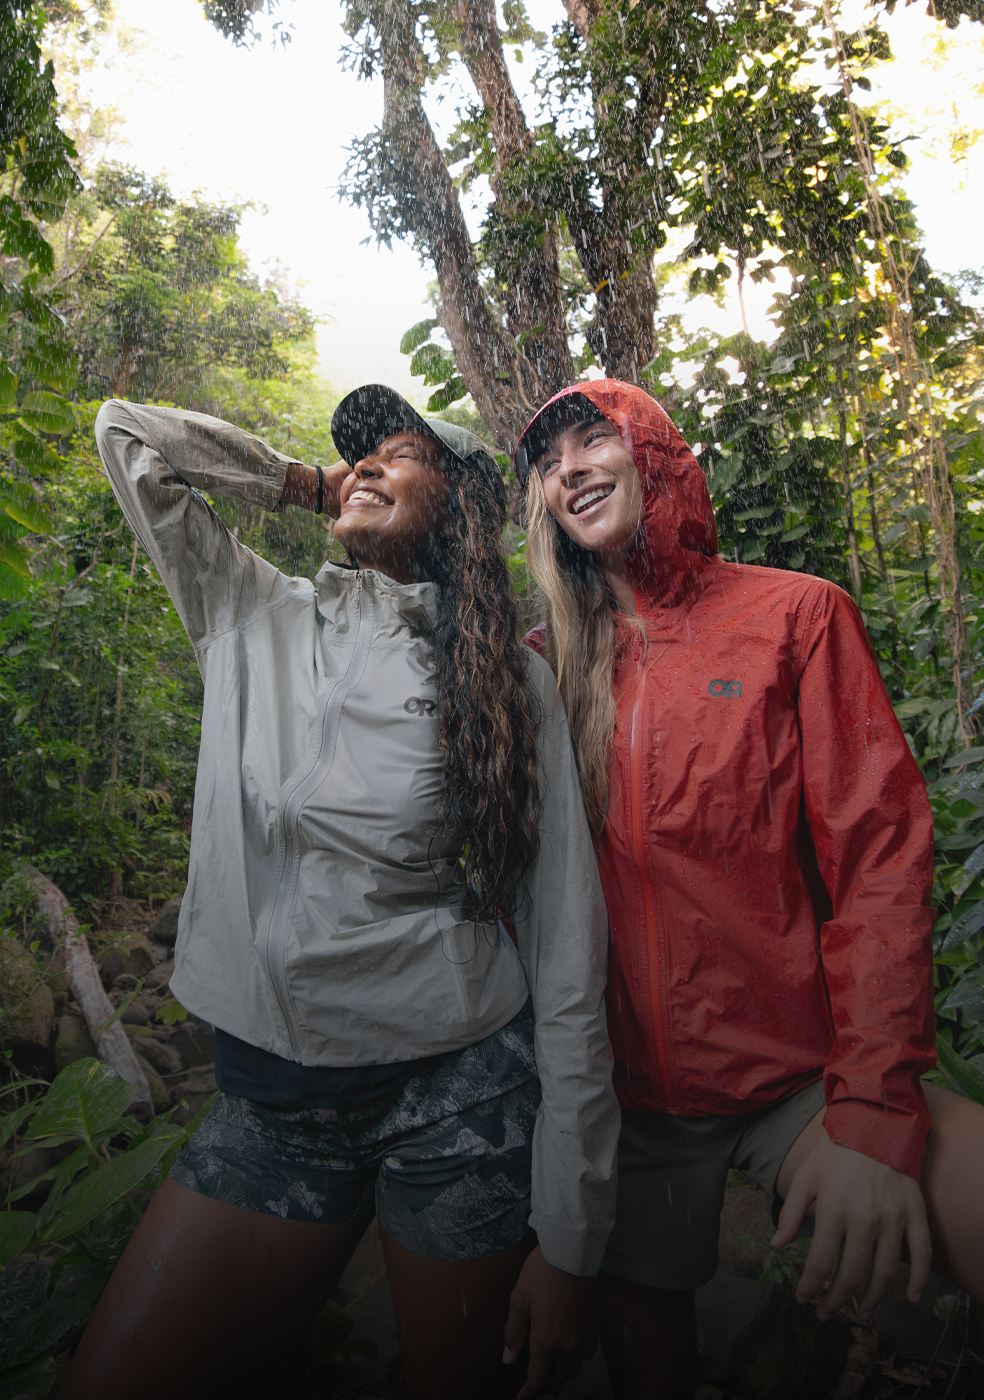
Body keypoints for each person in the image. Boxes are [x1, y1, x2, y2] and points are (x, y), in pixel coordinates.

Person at [62, 385, 619, 1400]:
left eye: (396, 453)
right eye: (354, 454)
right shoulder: (250, 613)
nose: (364, 462)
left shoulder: (506, 674)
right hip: (278, 1099)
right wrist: (307, 480)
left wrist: (573, 1235)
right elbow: (122, 432)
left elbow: (565, 941)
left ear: (454, 507)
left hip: (461, 1089)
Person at [515, 377, 984, 1400]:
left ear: (650, 450)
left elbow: (878, 859)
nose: (565, 469)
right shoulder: (543, 664)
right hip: (622, 1107)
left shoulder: (793, 617)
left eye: (589, 439)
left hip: (800, 1078)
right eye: (547, 461)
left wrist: (871, 1106)